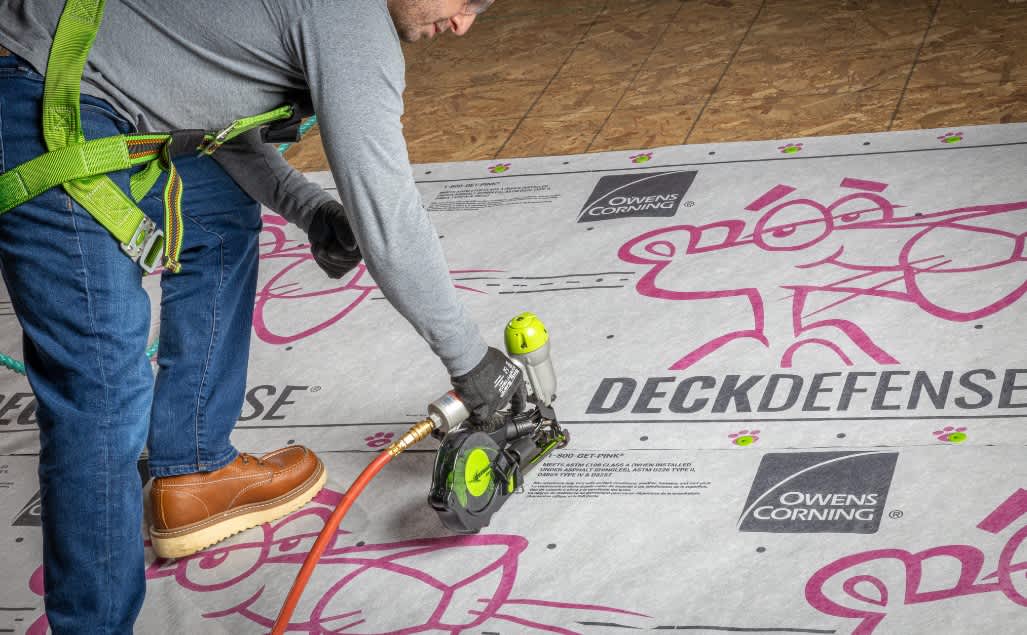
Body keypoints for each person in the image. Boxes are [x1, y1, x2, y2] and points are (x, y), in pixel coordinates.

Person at [0, 0, 521, 631]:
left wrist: (309, 209)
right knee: (104, 394)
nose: (464, 23)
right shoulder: (350, 22)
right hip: (36, 93)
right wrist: (472, 363)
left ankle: (195, 473)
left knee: (216, 212)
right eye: (465, 1)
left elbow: (206, 125)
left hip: (101, 92)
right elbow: (389, 220)